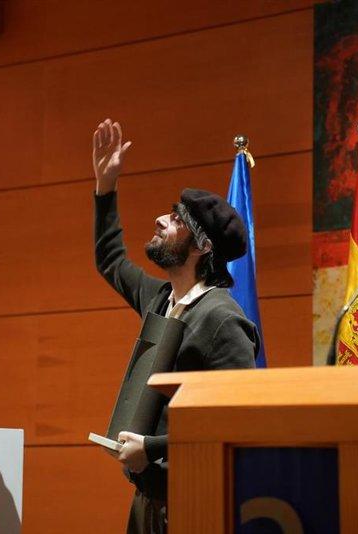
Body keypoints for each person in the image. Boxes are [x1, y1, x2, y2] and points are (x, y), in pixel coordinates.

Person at [92, 118, 259, 533]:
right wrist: (105, 187)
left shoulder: (223, 319)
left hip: (194, 501)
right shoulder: (160, 298)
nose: (160, 221)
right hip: (148, 499)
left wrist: (152, 449)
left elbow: (237, 423)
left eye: (175, 219)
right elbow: (111, 260)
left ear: (203, 247)